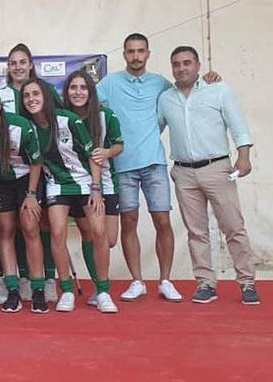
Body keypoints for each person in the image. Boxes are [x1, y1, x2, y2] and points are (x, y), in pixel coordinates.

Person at [97, 33, 219, 302]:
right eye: (131, 51)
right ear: (124, 54)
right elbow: (81, 102)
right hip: (122, 165)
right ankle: (137, 281)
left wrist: (209, 81)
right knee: (129, 222)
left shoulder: (162, 84)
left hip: (154, 162)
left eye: (141, 51)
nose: (136, 56)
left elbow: (187, 92)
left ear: (148, 53)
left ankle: (165, 280)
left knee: (162, 222)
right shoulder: (109, 83)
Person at [158, 46, 259, 305]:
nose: (181, 68)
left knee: (233, 226)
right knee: (196, 231)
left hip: (217, 167)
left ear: (198, 65)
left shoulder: (219, 90)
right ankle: (205, 283)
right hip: (183, 171)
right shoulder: (166, 99)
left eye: (187, 63)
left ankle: (247, 282)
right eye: (176, 64)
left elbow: (238, 125)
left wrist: (244, 156)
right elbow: (152, 131)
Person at [22, 78, 117, 313]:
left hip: (85, 183)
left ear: (45, 96)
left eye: (36, 94)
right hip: (57, 185)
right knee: (57, 232)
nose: (31, 99)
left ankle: (103, 291)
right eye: (26, 96)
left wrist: (96, 188)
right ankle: (66, 290)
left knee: (99, 232)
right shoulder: (29, 127)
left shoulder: (69, 119)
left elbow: (93, 155)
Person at [0, 87, 44, 313]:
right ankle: (12, 289)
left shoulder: (20, 126)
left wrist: (32, 195)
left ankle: (38, 289)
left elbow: (36, 162)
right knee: (5, 230)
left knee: (30, 228)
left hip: (25, 180)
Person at [0, 43, 59, 300]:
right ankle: (22, 277)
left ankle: (48, 278)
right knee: (19, 225)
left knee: (41, 223)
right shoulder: (0, 94)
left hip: (44, 166)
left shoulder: (45, 90)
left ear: (31, 64)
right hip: (15, 170)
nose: (18, 67)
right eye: (13, 63)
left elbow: (58, 117)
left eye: (23, 62)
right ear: (8, 68)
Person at [63, 70, 124, 307]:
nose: (78, 92)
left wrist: (107, 152)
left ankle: (100, 283)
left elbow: (119, 144)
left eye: (83, 88)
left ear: (91, 92)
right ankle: (101, 289)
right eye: (73, 88)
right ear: (66, 92)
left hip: (106, 182)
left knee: (109, 239)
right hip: (79, 185)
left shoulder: (105, 115)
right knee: (91, 233)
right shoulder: (62, 117)